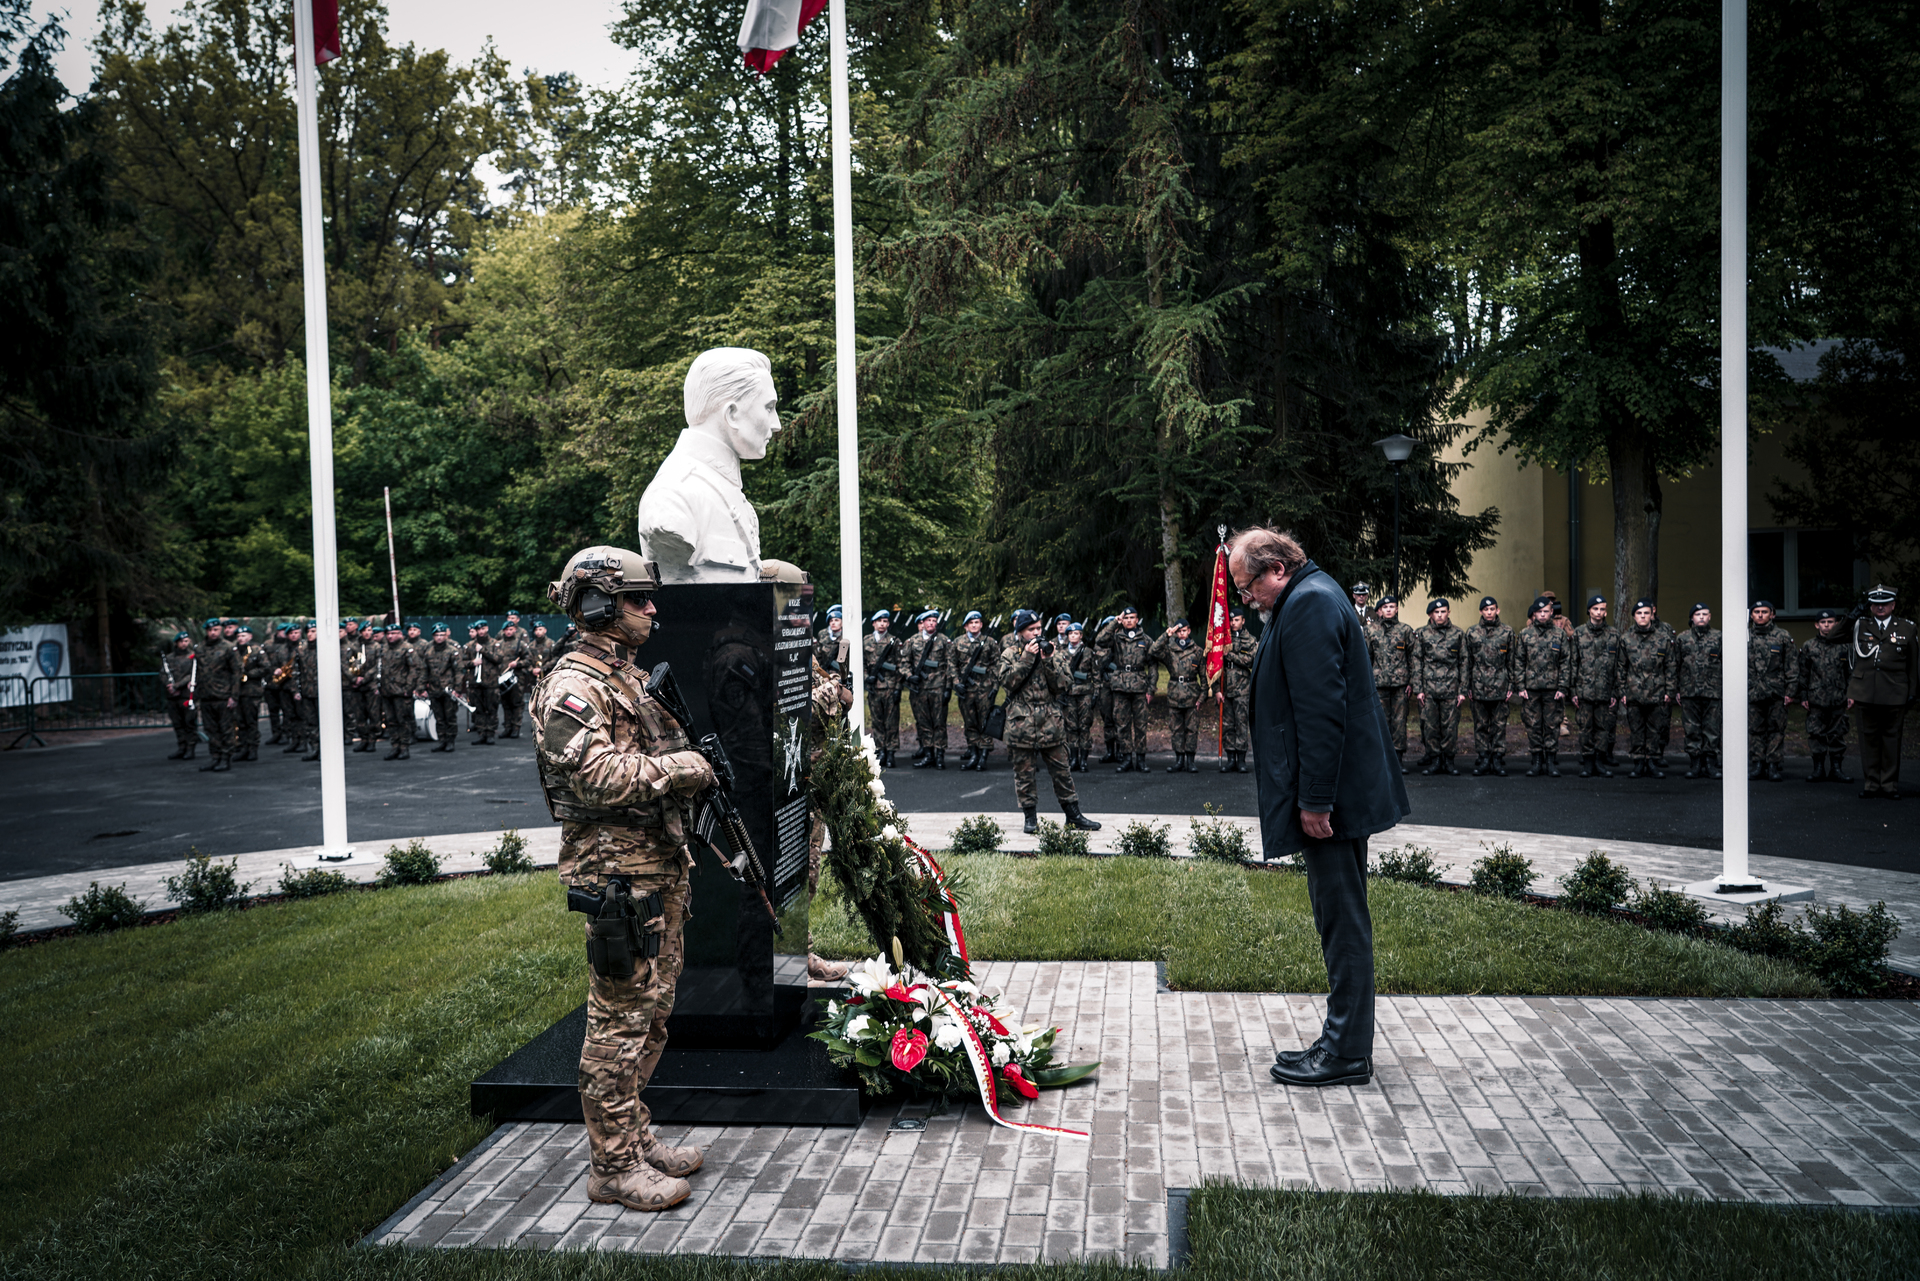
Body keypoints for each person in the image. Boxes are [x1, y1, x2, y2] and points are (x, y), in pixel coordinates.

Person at [532, 545, 713, 1213]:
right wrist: (682, 769)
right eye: (638, 599)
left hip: (654, 866)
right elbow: (598, 776)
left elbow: (644, 750)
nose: (651, 609)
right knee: (617, 1022)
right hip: (616, 875)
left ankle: (633, 1138)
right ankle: (611, 1166)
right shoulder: (573, 687)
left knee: (653, 1013)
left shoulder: (624, 677)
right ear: (601, 605)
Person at [1230, 527, 1409, 1089]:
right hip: (1336, 794)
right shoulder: (1313, 593)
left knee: (1343, 920)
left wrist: (1313, 802)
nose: (1246, 598)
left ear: (1276, 568)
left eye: (1247, 586)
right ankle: (1341, 1040)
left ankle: (1346, 1053)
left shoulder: (1307, 604)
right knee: (1341, 916)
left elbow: (1321, 715)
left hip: (1332, 802)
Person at [995, 609, 1100, 835]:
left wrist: (1049, 661)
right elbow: (1007, 682)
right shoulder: (1010, 653)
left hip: (1050, 722)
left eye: (1039, 629)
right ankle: (1030, 818)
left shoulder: (1053, 652)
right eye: (1031, 630)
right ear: (1020, 632)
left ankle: (1073, 815)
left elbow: (1064, 685)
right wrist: (1026, 658)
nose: (1036, 633)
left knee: (1062, 771)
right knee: (1024, 774)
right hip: (1021, 723)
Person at [1850, 584, 1917, 799]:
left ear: (1893, 605)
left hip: (1894, 691)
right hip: (1865, 692)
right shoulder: (1860, 625)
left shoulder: (1907, 628)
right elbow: (1834, 636)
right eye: (1876, 604)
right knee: (1868, 739)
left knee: (1891, 739)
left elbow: (1913, 664)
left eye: (1885, 604)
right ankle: (1871, 784)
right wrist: (1850, 617)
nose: (1880, 608)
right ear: (1870, 606)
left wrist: (1913, 691)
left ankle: (1888, 785)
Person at [1617, 599, 1676, 778]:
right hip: (1634, 693)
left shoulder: (1663, 638)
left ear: (1652, 615)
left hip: (1657, 692)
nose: (1643, 616)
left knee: (1654, 730)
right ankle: (1638, 762)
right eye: (1639, 613)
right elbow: (1621, 667)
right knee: (1636, 729)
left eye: (1646, 613)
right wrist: (1622, 692)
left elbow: (1670, 666)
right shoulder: (1626, 639)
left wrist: (1669, 691)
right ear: (1634, 616)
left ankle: (1651, 761)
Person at [1514, 596, 1571, 778]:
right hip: (1530, 689)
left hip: (1552, 689)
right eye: (1539, 612)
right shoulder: (1525, 634)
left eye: (1546, 611)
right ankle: (1537, 761)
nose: (1543, 615)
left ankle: (1551, 761)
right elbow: (1519, 662)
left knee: (1552, 725)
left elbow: (1565, 663)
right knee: (1533, 725)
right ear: (1534, 614)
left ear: (1551, 612)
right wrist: (1520, 686)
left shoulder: (1559, 634)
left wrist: (1563, 687)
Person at [1410, 599, 1468, 775]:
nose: (1440, 615)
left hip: (1451, 688)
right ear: (1430, 615)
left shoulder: (1458, 634)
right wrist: (1418, 689)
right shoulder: (1422, 634)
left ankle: (1449, 761)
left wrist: (1463, 690)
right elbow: (1417, 662)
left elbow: (1464, 662)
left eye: (1443, 611)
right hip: (1429, 689)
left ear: (1448, 612)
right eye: (1437, 612)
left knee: (1450, 727)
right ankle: (1435, 760)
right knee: (1431, 727)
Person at [1569, 596, 1623, 777]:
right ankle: (1588, 762)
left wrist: (1616, 691)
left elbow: (1618, 665)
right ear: (1589, 611)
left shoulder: (1614, 634)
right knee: (1585, 728)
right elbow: (1573, 663)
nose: (1599, 612)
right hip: (1584, 691)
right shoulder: (1578, 633)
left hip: (1605, 691)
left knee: (1603, 728)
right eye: (1595, 609)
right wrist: (1573, 690)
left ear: (1606, 612)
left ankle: (1600, 762)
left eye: (1602, 609)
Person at [1799, 608, 1854, 783]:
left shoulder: (1845, 645)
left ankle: (1836, 769)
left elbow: (1851, 672)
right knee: (1816, 734)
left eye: (1830, 622)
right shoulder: (1809, 646)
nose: (1826, 625)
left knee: (1838, 733)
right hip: (1816, 698)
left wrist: (1852, 693)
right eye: (1823, 622)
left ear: (1836, 624)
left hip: (1839, 696)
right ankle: (1818, 769)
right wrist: (1803, 695)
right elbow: (1803, 673)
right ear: (1817, 625)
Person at [1097, 606, 1154, 772]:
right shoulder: (1116, 637)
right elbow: (1100, 641)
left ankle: (1141, 760)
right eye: (1126, 618)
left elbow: (1152, 665)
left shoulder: (1146, 639)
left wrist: (1151, 688)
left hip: (1139, 686)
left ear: (1137, 620)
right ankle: (1127, 758)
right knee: (1122, 724)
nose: (1129, 620)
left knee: (1140, 725)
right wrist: (1115, 621)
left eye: (1132, 618)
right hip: (1120, 686)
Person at [1464, 596, 1515, 777]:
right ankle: (1484, 758)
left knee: (1499, 725)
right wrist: (1467, 686)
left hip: (1500, 686)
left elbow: (1512, 662)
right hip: (1479, 686)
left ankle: (1498, 759)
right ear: (1481, 612)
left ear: (1497, 610)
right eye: (1486, 610)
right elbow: (1467, 662)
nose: (1489, 612)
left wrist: (1511, 685)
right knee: (1480, 725)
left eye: (1492, 609)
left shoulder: (1507, 632)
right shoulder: (1472, 633)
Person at [1747, 601, 1798, 782]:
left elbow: (1791, 664)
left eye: (1764, 612)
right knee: (1754, 730)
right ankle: (1758, 763)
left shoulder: (1782, 636)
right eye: (1756, 612)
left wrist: (1791, 690)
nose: (1760, 615)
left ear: (1772, 615)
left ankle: (1773, 765)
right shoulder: (1744, 636)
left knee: (1776, 729)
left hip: (1776, 691)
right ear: (1751, 615)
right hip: (1751, 691)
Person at [1675, 603, 1724, 779]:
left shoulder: (1719, 637)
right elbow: (1676, 665)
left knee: (1712, 729)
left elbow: (1726, 664)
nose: (1701, 617)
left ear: (1710, 616)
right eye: (1697, 614)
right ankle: (1695, 763)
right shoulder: (1682, 638)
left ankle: (1710, 763)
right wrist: (1676, 689)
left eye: (1704, 614)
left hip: (1714, 691)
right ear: (1692, 618)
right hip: (1689, 691)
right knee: (1692, 729)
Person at [1150, 617, 1204, 772]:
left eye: (1184, 630)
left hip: (1192, 694)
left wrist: (1202, 697)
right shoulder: (1169, 650)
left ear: (1189, 631)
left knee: (1192, 729)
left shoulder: (1197, 651)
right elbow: (1153, 650)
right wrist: (1167, 634)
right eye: (1179, 631)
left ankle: (1190, 761)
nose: (1182, 634)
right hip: (1175, 694)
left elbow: (1203, 677)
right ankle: (1179, 759)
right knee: (1176, 729)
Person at [1367, 596, 1414, 771]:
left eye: (1392, 606)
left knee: (1400, 722)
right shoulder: (1371, 630)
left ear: (1397, 609)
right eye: (1385, 607)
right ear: (1379, 610)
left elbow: (1412, 659)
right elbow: (1367, 658)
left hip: (1400, 685)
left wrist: (1412, 683)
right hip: (1378, 684)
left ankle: (1398, 759)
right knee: (1381, 721)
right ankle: (1383, 759)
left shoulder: (1405, 630)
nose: (1388, 610)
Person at [902, 609, 952, 768]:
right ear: (922, 623)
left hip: (938, 687)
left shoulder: (943, 640)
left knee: (939, 722)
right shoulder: (912, 641)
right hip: (919, 689)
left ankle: (940, 756)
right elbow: (903, 663)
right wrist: (910, 676)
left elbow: (951, 665)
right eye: (928, 620)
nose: (931, 623)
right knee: (923, 722)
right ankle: (928, 754)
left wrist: (948, 688)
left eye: (934, 621)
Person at [950, 610, 998, 770]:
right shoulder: (957, 642)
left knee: (985, 722)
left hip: (984, 689)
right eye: (971, 623)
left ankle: (984, 755)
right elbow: (951, 664)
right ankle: (974, 754)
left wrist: (993, 685)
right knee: (970, 723)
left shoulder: (989, 642)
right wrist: (957, 683)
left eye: (977, 622)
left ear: (981, 625)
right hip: (966, 690)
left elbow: (996, 665)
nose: (974, 625)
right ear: (965, 626)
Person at [195, 617, 241, 772]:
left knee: (226, 729)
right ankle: (215, 757)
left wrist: (234, 696)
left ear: (220, 630)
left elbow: (236, 672)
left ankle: (226, 758)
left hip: (223, 695)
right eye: (209, 630)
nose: (212, 633)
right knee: (211, 729)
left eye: (215, 630)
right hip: (206, 695)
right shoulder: (200, 648)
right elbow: (197, 671)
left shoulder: (228, 647)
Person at [863, 610, 905, 767]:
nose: (882, 624)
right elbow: (861, 662)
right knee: (877, 721)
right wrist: (867, 678)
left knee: (892, 722)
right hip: (874, 688)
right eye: (879, 621)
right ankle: (880, 750)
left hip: (890, 687)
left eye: (885, 621)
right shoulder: (865, 641)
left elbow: (900, 665)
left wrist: (898, 688)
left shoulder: (894, 640)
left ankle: (891, 752)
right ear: (873, 623)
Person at [378, 623, 425, 760]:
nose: (390, 636)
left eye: (393, 633)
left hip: (401, 691)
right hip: (387, 691)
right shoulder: (384, 649)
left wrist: (408, 688)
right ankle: (395, 746)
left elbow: (415, 669)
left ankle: (404, 747)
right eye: (388, 634)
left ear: (400, 634)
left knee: (403, 720)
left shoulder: (407, 649)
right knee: (391, 721)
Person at [1219, 607, 1257, 773]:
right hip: (1225, 688)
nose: (1233, 623)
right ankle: (1230, 759)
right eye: (1231, 620)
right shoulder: (1222, 639)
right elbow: (1215, 666)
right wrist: (1216, 690)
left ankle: (1241, 760)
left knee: (1241, 724)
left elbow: (1249, 660)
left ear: (1243, 621)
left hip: (1242, 688)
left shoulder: (1250, 640)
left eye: (1236, 620)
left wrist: (1230, 655)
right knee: (1228, 725)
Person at [1062, 621, 1100, 771]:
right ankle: (1073, 759)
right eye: (1070, 633)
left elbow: (1096, 674)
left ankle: (1083, 760)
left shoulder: (1088, 652)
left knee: (1084, 726)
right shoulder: (1062, 653)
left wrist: (1096, 693)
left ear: (1081, 635)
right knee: (1071, 727)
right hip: (1069, 694)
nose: (1073, 636)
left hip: (1084, 693)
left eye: (1076, 633)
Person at [423, 623, 465, 752]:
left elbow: (459, 670)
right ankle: (442, 740)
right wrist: (422, 687)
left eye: (442, 635)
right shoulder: (429, 652)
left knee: (450, 717)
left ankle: (450, 741)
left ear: (446, 635)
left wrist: (457, 689)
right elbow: (424, 671)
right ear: (433, 636)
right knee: (439, 718)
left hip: (449, 690)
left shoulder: (452, 651)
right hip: (434, 690)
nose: (440, 637)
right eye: (437, 635)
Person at [162, 631, 199, 760]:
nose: (184, 644)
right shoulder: (169, 658)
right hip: (173, 696)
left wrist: (177, 685)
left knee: (189, 723)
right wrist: (169, 685)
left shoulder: (193, 656)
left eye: (186, 641)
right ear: (176, 643)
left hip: (186, 694)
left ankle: (190, 749)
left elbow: (193, 674)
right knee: (177, 723)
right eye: (182, 641)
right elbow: (163, 673)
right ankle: (181, 747)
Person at [466, 619, 505, 746]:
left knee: (491, 709)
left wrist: (483, 651)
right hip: (475, 684)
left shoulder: (495, 643)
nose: (481, 631)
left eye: (483, 629)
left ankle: (490, 734)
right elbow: (460, 662)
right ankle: (481, 734)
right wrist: (472, 663)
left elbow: (498, 659)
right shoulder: (470, 645)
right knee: (479, 710)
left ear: (487, 629)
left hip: (491, 683)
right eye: (478, 629)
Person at [235, 624, 269, 762]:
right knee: (240, 721)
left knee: (251, 721)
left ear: (250, 636)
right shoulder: (234, 650)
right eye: (238, 636)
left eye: (243, 636)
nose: (240, 638)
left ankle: (253, 749)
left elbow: (266, 667)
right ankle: (243, 748)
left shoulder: (256, 650)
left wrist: (249, 675)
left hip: (252, 690)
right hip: (238, 690)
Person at [497, 617, 530, 739]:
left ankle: (516, 728)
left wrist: (518, 664)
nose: (508, 632)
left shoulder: (520, 644)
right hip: (502, 678)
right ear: (503, 631)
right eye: (506, 630)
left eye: (511, 629)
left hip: (517, 678)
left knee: (516, 703)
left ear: (515, 630)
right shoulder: (498, 644)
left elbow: (528, 660)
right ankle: (507, 728)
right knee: (505, 704)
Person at [293, 621, 321, 761]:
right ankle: (315, 749)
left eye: (314, 631)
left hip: (323, 692)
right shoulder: (302, 650)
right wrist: (296, 690)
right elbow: (296, 671)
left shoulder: (325, 648)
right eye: (308, 632)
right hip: (307, 691)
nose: (310, 634)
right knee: (311, 723)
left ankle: (327, 751)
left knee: (325, 723)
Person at [813, 605, 847, 675]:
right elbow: (818, 655)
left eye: (836, 620)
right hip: (825, 672)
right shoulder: (822, 634)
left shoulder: (847, 635)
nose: (833, 623)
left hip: (841, 674)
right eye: (831, 620)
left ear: (842, 622)